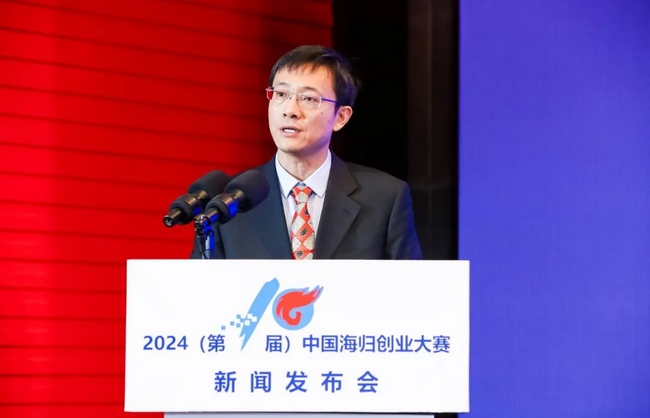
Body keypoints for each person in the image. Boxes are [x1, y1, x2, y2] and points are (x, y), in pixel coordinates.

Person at [190, 45, 422, 260]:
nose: (290, 110)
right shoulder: (227, 203)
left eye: (308, 98)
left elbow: (408, 288)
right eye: (281, 94)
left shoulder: (385, 198)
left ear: (341, 117)